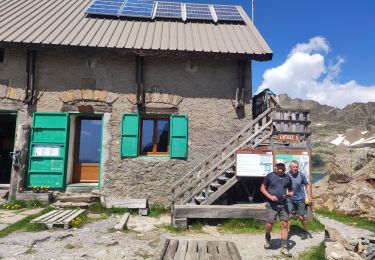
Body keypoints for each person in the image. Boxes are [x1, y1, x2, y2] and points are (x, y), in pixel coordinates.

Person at [260, 159, 294, 257]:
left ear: (284, 167)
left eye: (282, 165)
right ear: (275, 167)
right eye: (278, 166)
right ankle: (267, 236)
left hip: (283, 204)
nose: (280, 167)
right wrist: (270, 197)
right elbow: (262, 188)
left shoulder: (287, 178)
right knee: (270, 225)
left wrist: (290, 194)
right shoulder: (270, 176)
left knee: (284, 225)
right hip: (271, 204)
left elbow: (291, 191)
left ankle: (284, 247)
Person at [286, 160, 313, 239]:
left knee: (301, 217)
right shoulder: (287, 175)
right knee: (289, 215)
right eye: (294, 167)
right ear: (290, 167)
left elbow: (307, 185)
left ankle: (305, 229)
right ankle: (287, 231)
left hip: (300, 198)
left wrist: (309, 196)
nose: (295, 168)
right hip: (290, 198)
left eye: (297, 167)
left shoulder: (301, 175)